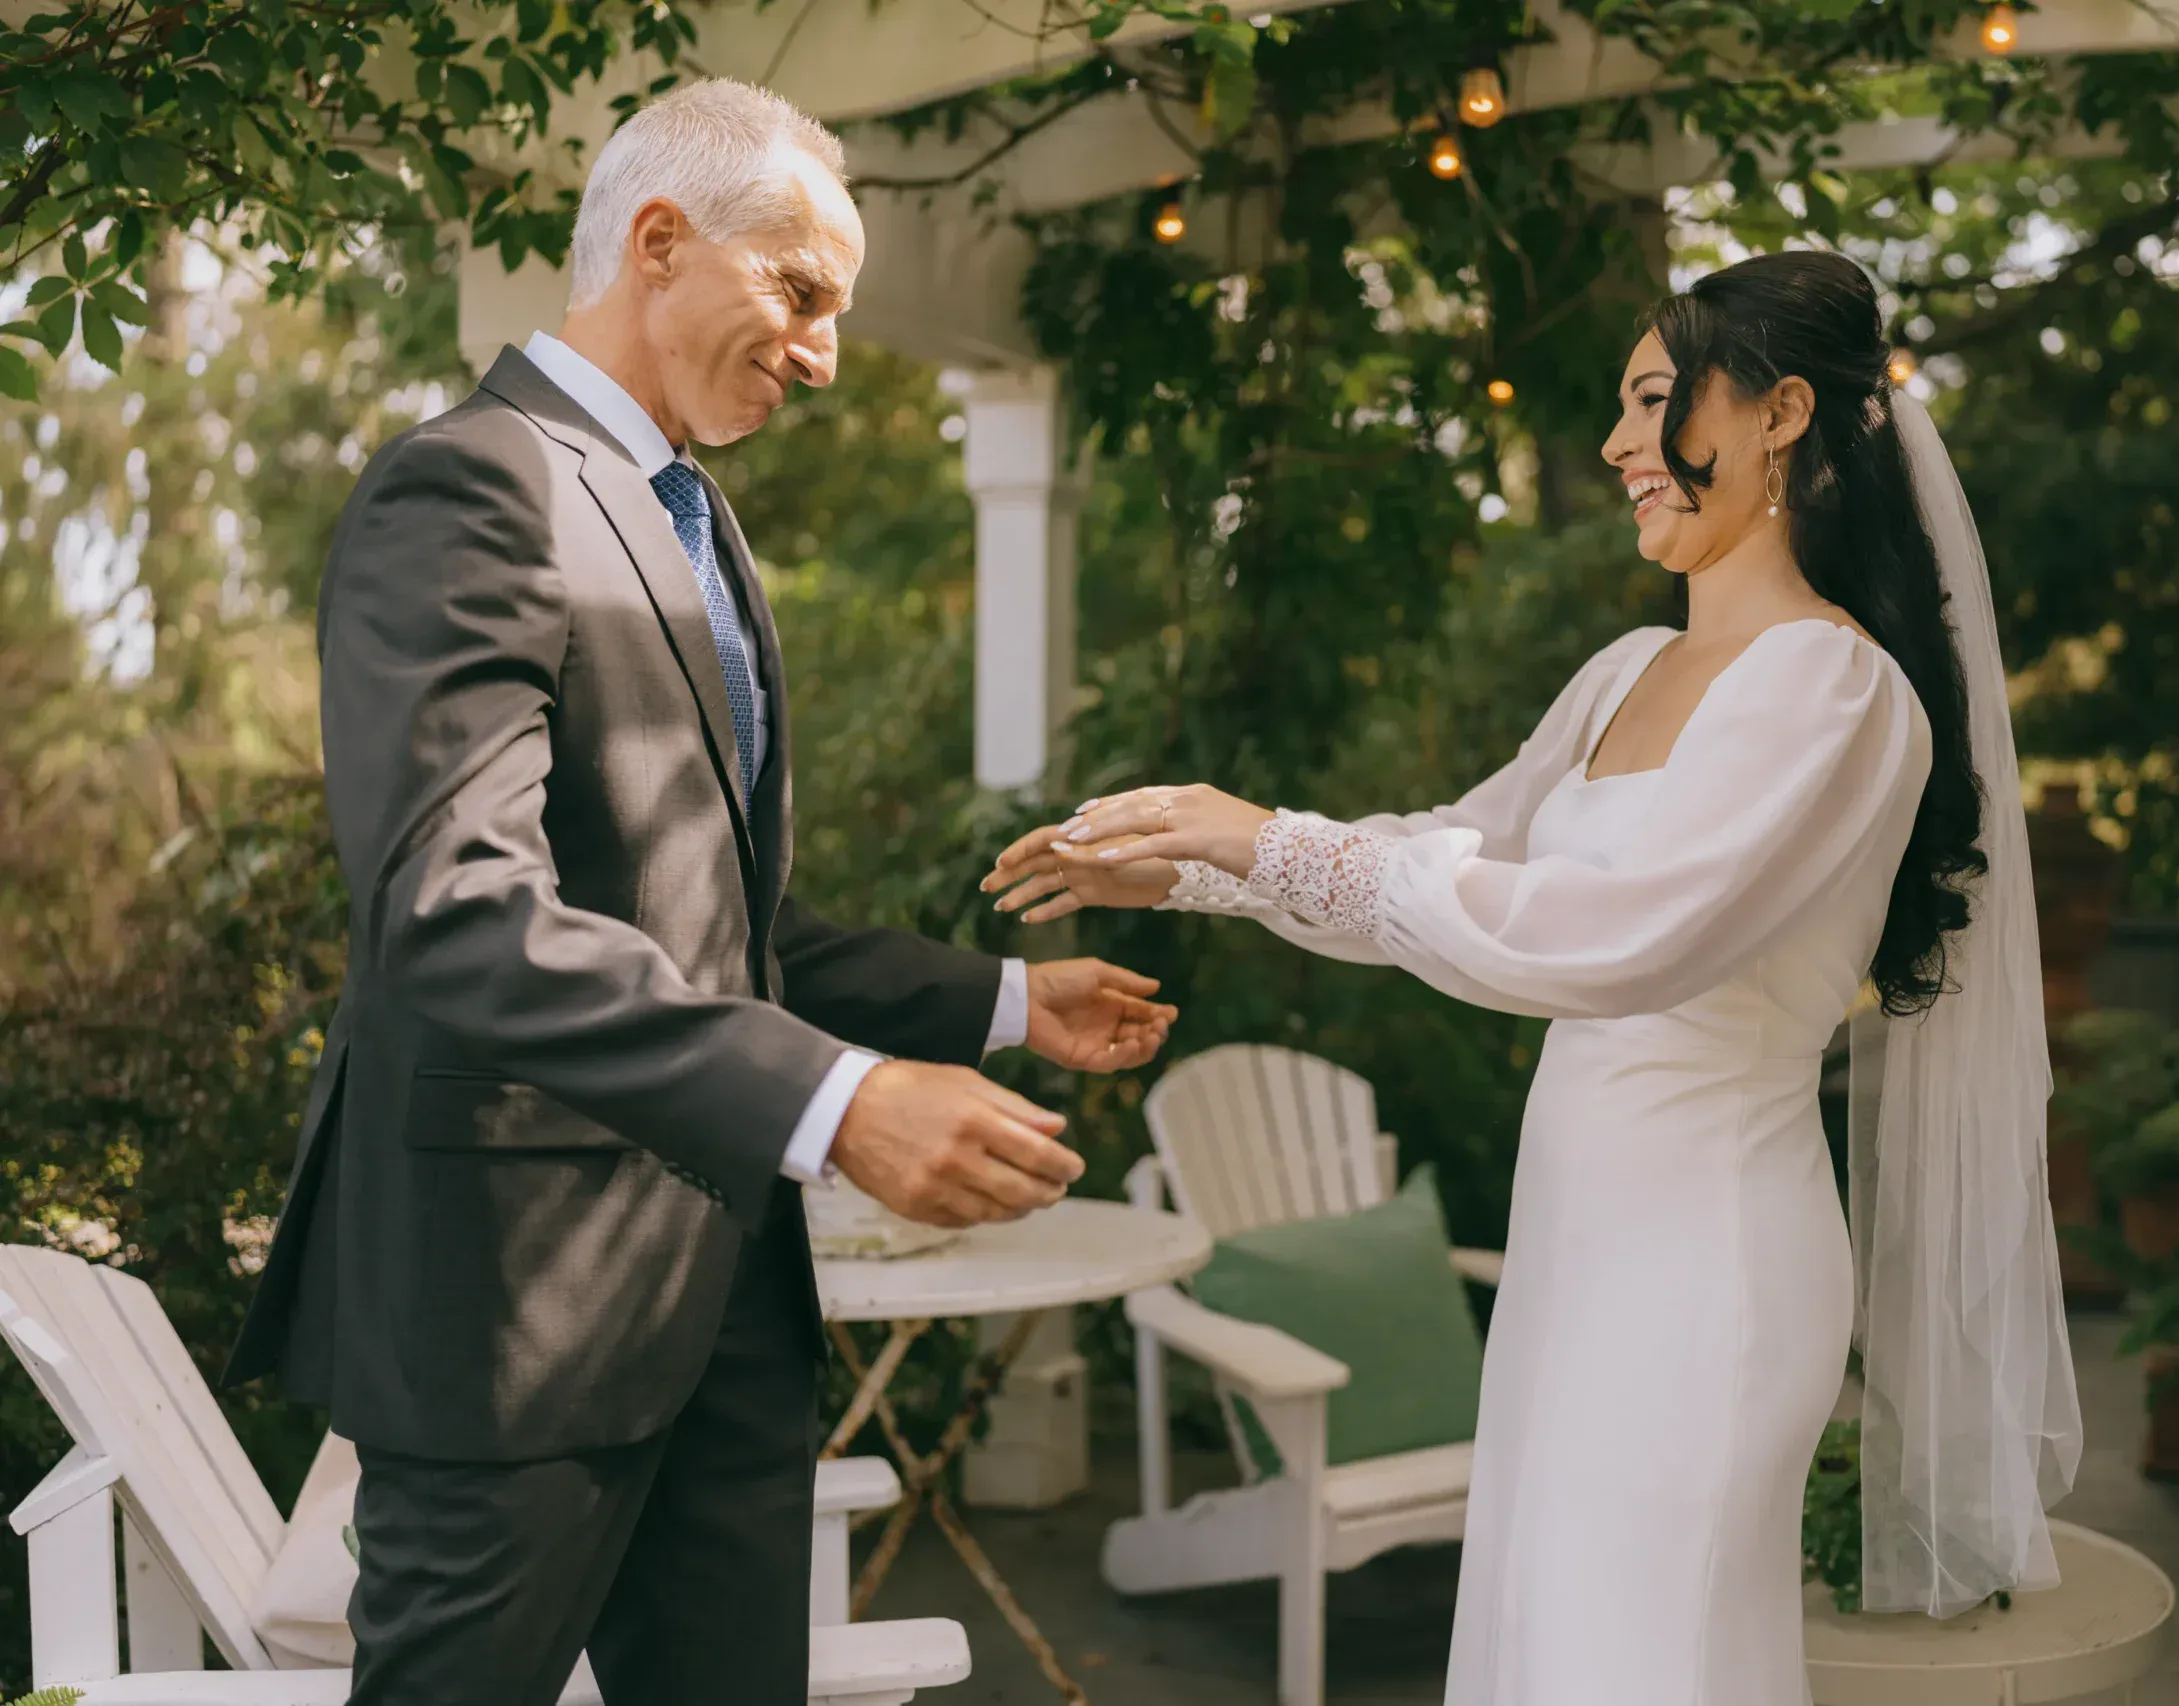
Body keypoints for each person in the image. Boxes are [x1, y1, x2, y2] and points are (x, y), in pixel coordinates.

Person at [985, 251, 2079, 1703]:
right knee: (1553, 1637)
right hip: (1581, 1240)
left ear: (1780, 414)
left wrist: (1268, 837)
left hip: (1708, 1261)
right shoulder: (1628, 667)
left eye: (1651, 402)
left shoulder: (1836, 689)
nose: (1620, 445)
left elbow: (1614, 937)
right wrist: (1196, 868)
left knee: (1645, 1653)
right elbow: (1445, 866)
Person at [225, 79, 1176, 1706]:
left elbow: (724, 926)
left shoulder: (699, 526)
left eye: (838, 313)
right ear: (659, 241)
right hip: (516, 1314)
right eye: (800, 292)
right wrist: (836, 1098)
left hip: (728, 1313)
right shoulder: (470, 485)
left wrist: (1008, 999)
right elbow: (458, 907)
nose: (821, 352)